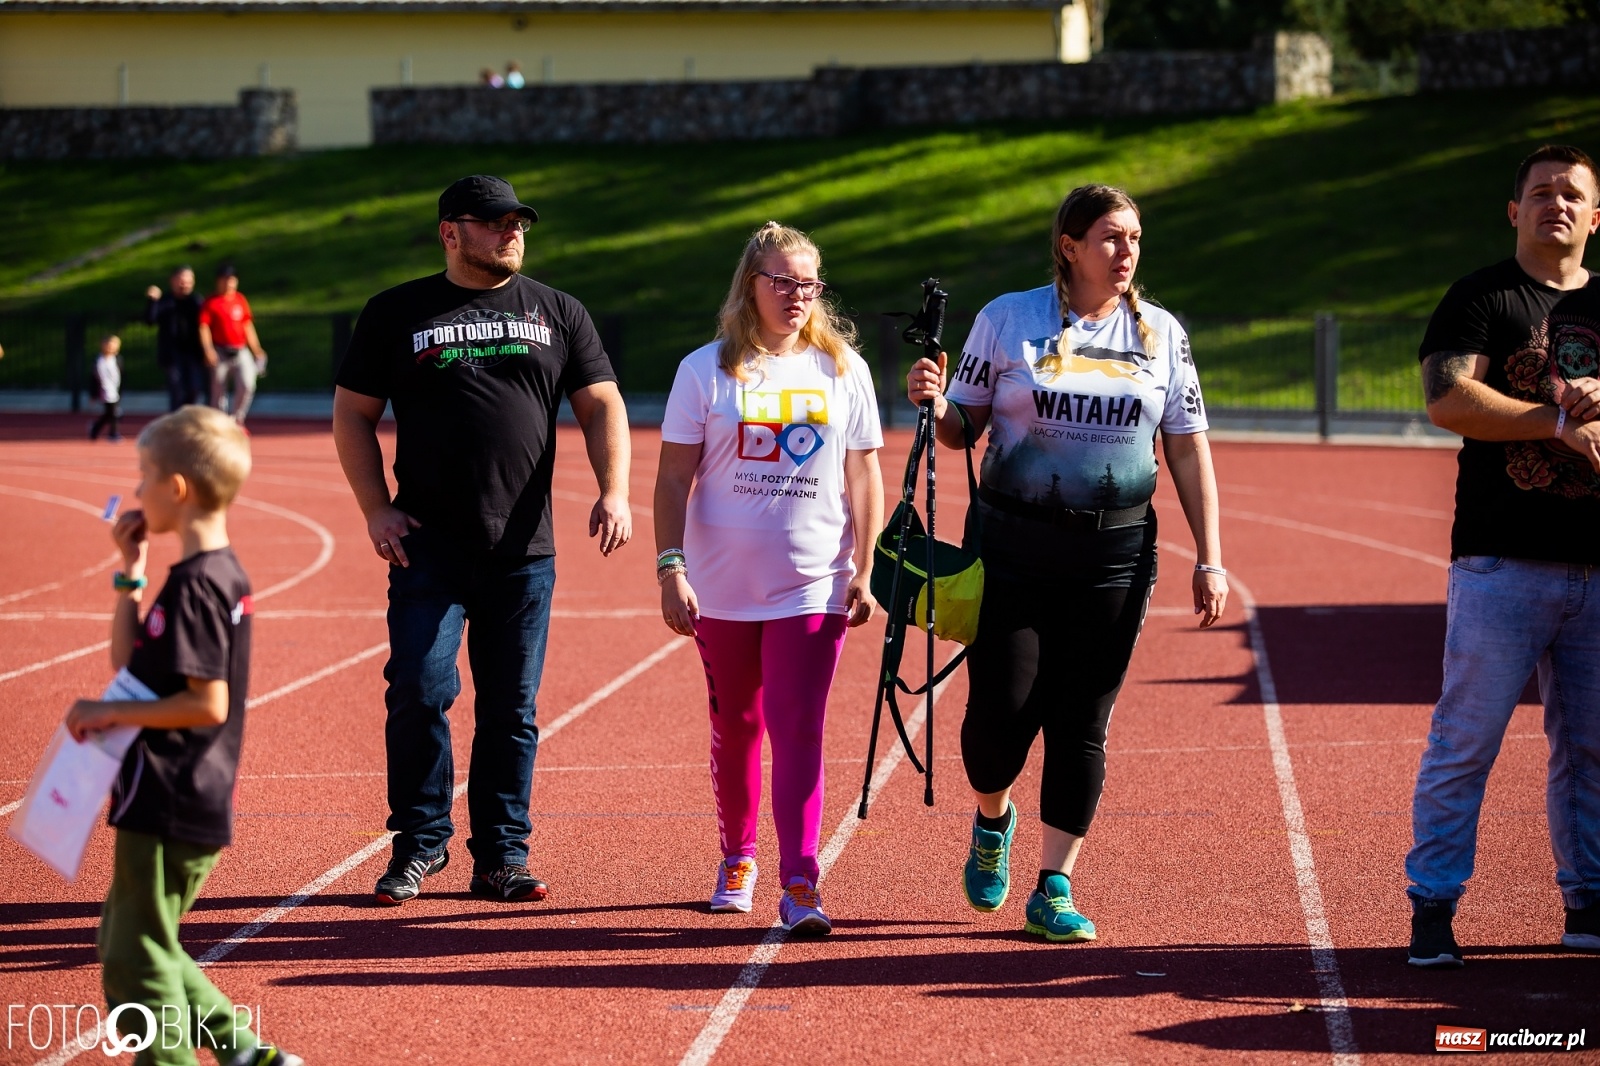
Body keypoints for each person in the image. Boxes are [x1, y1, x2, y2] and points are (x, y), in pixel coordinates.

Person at [907, 183, 1226, 943]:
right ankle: (993, 820)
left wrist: (1211, 557)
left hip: (1114, 555)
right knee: (999, 718)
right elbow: (961, 430)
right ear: (1070, 246)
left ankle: (1055, 884)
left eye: (1136, 239)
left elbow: (1184, 442)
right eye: (1111, 238)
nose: (1126, 253)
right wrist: (935, 401)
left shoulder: (1161, 333)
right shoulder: (1008, 319)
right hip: (1013, 547)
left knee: (1083, 719)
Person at [333, 174, 632, 907]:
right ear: (450, 232)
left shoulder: (558, 311)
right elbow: (351, 416)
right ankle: (419, 844)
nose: (511, 233)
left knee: (511, 709)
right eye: (494, 222)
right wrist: (376, 509)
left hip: (524, 551)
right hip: (427, 546)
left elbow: (603, 406)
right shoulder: (395, 312)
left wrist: (614, 489)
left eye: (518, 222)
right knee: (419, 689)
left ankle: (501, 855)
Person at [655, 221, 884, 934]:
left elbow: (864, 471)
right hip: (721, 588)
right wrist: (671, 568)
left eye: (807, 284)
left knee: (799, 728)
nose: (795, 296)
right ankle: (738, 855)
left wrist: (865, 566)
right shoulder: (705, 371)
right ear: (749, 286)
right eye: (781, 282)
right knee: (739, 726)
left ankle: (800, 880)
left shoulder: (841, 368)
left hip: (811, 584)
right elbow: (671, 479)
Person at [1406, 144, 1600, 967]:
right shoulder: (1482, 296)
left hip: (1598, 566)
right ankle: (1435, 905)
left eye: (1573, 195)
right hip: (1500, 561)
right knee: (1467, 739)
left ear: (1597, 217)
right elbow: (1448, 396)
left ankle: (1586, 900)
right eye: (1540, 192)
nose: (1556, 204)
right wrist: (1555, 421)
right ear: (1513, 211)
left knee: (1591, 746)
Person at [64, 405, 303, 1066]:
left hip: (172, 796)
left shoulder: (200, 586)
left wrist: (105, 713)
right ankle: (243, 1050)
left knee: (134, 959)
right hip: (176, 795)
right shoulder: (206, 576)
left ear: (176, 489)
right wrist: (130, 570)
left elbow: (206, 702)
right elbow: (130, 661)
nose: (135, 492)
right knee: (138, 939)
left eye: (143, 477)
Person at [199, 265, 267, 425]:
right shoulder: (211, 302)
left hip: (240, 349)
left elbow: (247, 325)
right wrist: (208, 349)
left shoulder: (240, 300)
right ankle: (220, 423)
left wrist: (256, 348)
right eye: (225, 280)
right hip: (220, 350)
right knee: (218, 391)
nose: (228, 284)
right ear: (218, 281)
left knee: (247, 384)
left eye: (232, 280)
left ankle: (237, 419)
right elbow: (204, 327)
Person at [146, 266, 207, 411]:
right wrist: (152, 301)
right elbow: (150, 320)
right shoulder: (165, 301)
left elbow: (206, 324)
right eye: (181, 280)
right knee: (176, 389)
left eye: (188, 281)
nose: (184, 284)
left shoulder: (196, 302)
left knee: (194, 388)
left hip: (192, 353)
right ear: (172, 281)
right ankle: (176, 422)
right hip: (172, 354)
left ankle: (185, 417)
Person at [89, 333, 124, 442]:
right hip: (104, 390)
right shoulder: (98, 361)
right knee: (113, 412)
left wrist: (121, 389)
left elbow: (122, 375)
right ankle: (113, 433)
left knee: (111, 413)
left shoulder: (117, 359)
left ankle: (95, 428)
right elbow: (93, 379)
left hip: (115, 390)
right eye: (107, 344)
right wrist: (93, 394)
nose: (109, 347)